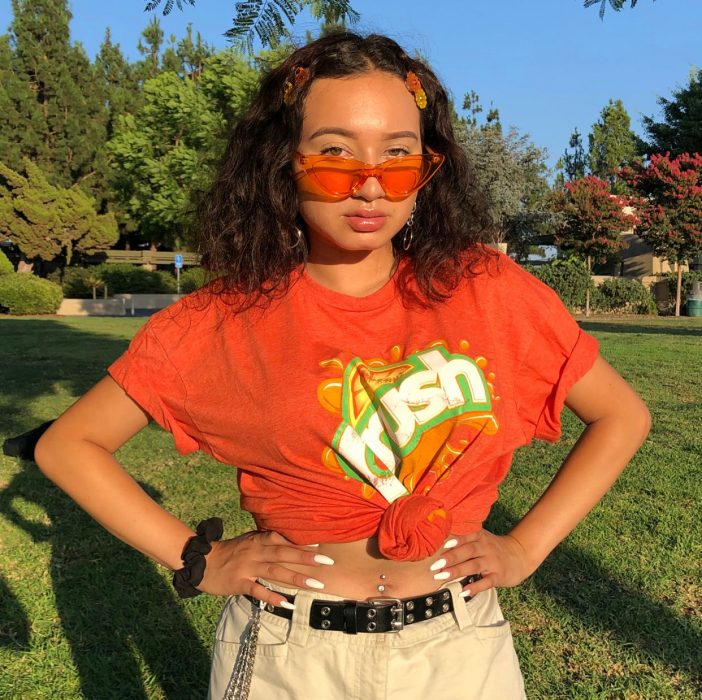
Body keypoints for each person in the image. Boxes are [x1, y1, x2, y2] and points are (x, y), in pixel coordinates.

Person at [34, 32, 651, 700]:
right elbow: (70, 445)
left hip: (462, 653)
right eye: (334, 152)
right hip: (288, 658)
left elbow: (622, 415)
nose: (368, 184)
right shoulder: (221, 319)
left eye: (398, 156)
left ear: (427, 168)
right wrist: (200, 560)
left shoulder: (490, 289)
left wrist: (525, 548)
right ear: (283, 162)